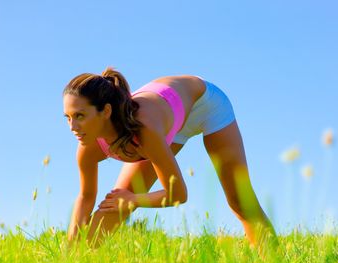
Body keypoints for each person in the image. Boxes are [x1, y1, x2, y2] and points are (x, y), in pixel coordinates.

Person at [63, 67, 277, 252]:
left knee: (240, 201)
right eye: (68, 117)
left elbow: (178, 195)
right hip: (165, 117)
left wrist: (134, 199)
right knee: (114, 207)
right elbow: (86, 197)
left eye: (80, 116)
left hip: (204, 105)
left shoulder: (144, 131)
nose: (72, 127)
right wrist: (70, 248)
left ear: (106, 111)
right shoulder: (87, 147)